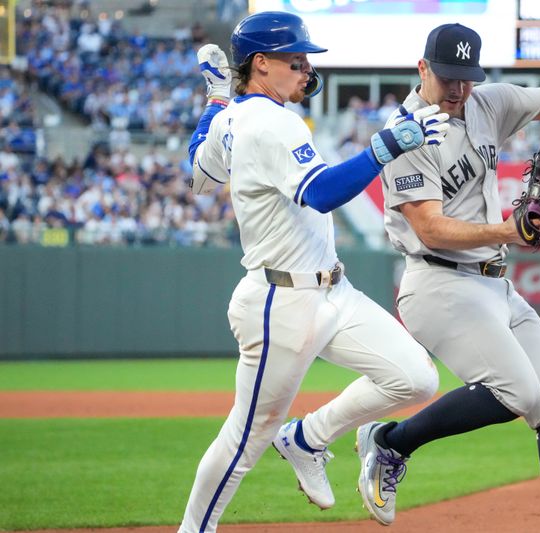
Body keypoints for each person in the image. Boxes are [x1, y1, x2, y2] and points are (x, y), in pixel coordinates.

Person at [354, 22, 540, 532]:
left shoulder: (485, 103)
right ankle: (389, 442)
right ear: (423, 68)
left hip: (494, 283)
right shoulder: (404, 132)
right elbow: (428, 228)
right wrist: (508, 230)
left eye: (466, 77)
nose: (458, 89)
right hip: (437, 283)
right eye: (448, 77)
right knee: (517, 390)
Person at [177, 11, 451, 532]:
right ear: (261, 64)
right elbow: (322, 194)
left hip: (331, 289)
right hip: (280, 302)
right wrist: (387, 144)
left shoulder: (238, 116)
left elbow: (200, 168)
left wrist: (216, 100)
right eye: (295, 60)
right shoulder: (269, 121)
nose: (306, 69)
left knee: (415, 378)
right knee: (246, 436)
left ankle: (307, 438)